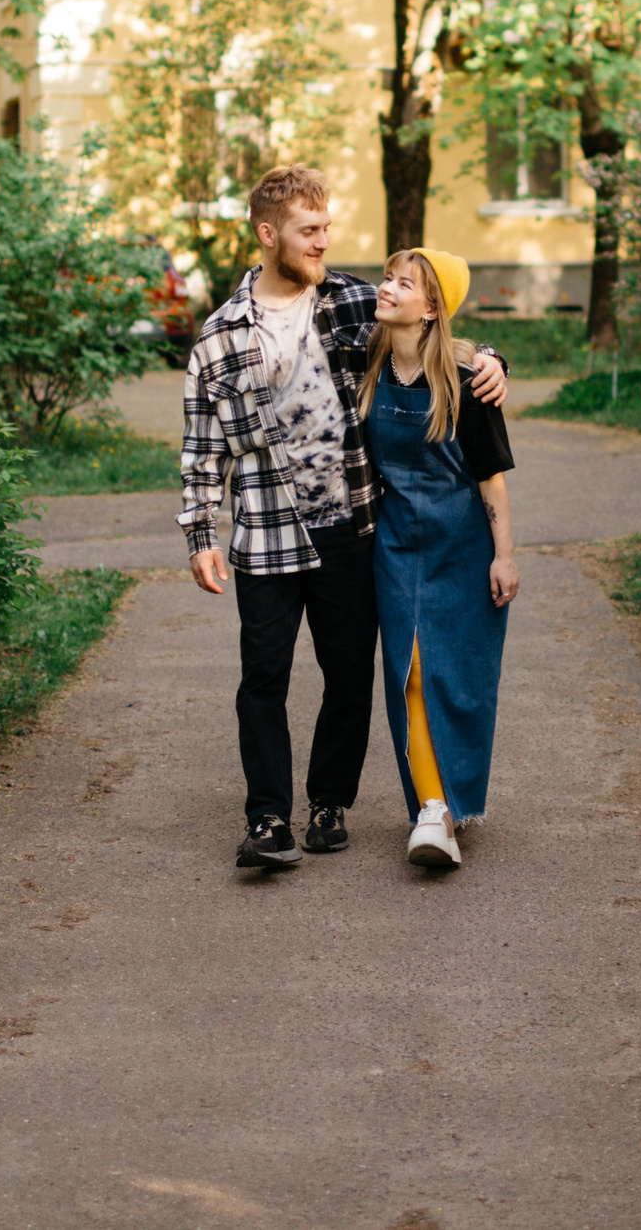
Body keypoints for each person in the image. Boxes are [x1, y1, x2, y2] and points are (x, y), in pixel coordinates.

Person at [178, 167, 507, 871]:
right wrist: (201, 532)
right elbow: (202, 447)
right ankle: (267, 818)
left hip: (351, 527)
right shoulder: (220, 336)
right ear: (269, 235)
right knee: (262, 676)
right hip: (264, 531)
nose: (323, 242)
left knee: (349, 672)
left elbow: (434, 328)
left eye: (326, 228)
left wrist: (492, 360)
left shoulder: (354, 302)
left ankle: (329, 800)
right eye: (309, 231)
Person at [359, 247, 517, 870]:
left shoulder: (466, 380)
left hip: (463, 544)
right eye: (388, 277)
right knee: (409, 672)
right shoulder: (368, 360)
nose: (388, 288)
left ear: (432, 308)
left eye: (406, 284)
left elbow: (492, 478)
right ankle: (431, 810)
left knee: (460, 679)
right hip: (396, 544)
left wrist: (504, 556)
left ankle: (448, 808)